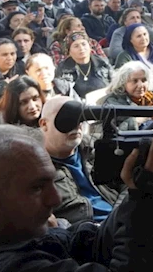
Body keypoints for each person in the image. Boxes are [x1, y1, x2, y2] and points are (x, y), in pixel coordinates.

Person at [0, 125, 153, 271]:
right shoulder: (10, 264)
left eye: (52, 183)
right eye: (37, 188)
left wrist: (138, 191)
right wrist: (149, 200)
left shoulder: (19, 235)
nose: (54, 199)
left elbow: (93, 243)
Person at [39, 96, 120, 224]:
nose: (76, 125)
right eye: (68, 118)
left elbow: (127, 183)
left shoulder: (96, 147)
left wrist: (121, 213)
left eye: (80, 118)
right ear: (44, 124)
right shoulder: (35, 166)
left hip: (119, 221)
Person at [102, 62, 153, 131]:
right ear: (123, 83)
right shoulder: (113, 103)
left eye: (144, 80)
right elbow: (114, 132)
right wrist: (139, 120)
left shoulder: (152, 97)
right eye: (135, 81)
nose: (140, 85)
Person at [55, 31, 113, 98]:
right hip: (77, 106)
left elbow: (114, 85)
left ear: (90, 47)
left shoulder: (103, 63)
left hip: (105, 103)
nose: (81, 48)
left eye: (84, 44)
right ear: (69, 51)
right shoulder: (63, 69)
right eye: (76, 46)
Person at [0, 38, 24, 104]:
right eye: (4, 55)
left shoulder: (21, 68)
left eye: (12, 54)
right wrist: (4, 85)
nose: (10, 58)